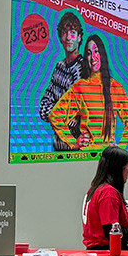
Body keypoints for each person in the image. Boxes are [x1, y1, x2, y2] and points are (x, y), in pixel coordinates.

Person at [49, 35, 128, 150]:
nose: (93, 57)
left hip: (108, 155)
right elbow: (55, 115)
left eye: (96, 51)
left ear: (102, 55)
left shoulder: (116, 87)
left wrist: (120, 148)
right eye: (89, 53)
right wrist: (73, 142)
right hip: (86, 156)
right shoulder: (80, 88)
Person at [37, 10, 85, 151]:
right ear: (60, 37)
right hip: (58, 146)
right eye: (65, 33)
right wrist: (62, 115)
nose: (68, 38)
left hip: (78, 147)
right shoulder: (59, 67)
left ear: (79, 38)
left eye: (73, 33)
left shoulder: (83, 69)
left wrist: (58, 114)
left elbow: (82, 112)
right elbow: (44, 106)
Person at [80, 145, 128, 251]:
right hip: (107, 251)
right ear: (118, 169)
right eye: (127, 167)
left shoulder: (96, 188)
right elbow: (110, 231)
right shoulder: (108, 193)